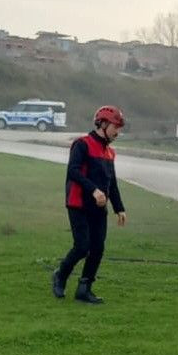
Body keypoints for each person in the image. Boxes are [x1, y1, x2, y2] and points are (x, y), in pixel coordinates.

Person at [51, 106, 127, 304]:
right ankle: (60, 275)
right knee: (82, 246)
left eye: (119, 128)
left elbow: (112, 182)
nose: (118, 132)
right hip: (78, 204)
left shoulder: (110, 152)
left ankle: (84, 289)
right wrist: (94, 190)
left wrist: (119, 208)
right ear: (103, 124)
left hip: (98, 208)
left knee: (98, 248)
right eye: (115, 127)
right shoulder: (82, 144)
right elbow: (73, 171)